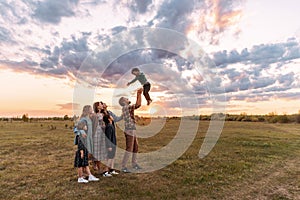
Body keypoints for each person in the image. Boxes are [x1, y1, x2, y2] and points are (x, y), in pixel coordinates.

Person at [119, 88, 143, 173]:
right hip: (129, 130)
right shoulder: (126, 107)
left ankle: (134, 164)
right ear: (123, 102)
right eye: (126, 98)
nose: (128, 99)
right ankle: (123, 166)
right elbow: (138, 105)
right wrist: (139, 94)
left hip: (132, 129)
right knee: (129, 148)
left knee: (135, 147)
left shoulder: (127, 108)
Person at [91, 102, 112, 177]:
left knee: (100, 150)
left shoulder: (103, 113)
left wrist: (105, 109)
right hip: (97, 133)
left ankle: (96, 164)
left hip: (102, 133)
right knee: (96, 150)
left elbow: (109, 118)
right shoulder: (94, 115)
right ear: (97, 106)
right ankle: (97, 166)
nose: (101, 105)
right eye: (100, 104)